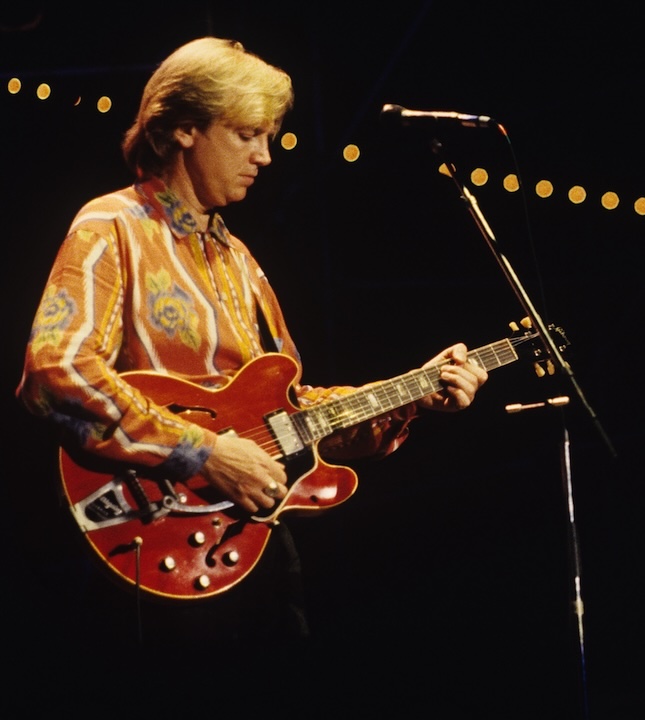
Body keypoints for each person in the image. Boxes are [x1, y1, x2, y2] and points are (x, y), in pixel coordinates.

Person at [16, 38, 488, 662]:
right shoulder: (112, 227)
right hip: (147, 539)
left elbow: (293, 417)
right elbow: (55, 372)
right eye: (247, 134)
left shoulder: (241, 262)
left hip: (251, 543)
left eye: (270, 136)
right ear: (183, 128)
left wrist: (412, 395)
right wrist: (205, 452)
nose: (266, 156)